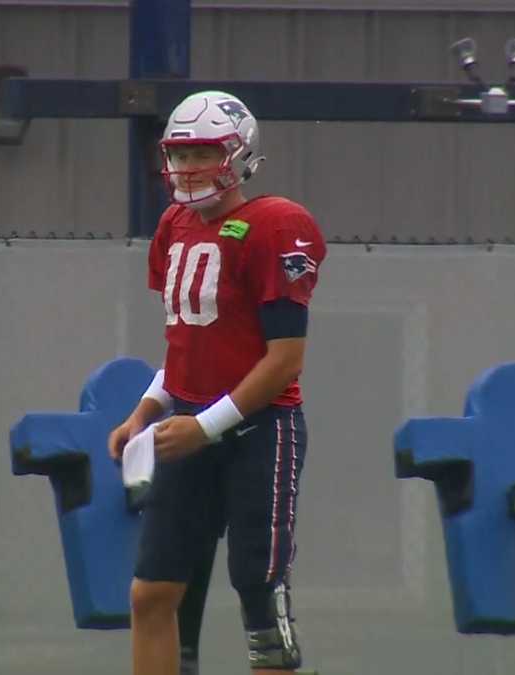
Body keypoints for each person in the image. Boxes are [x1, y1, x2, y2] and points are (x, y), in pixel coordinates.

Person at [109, 90, 327, 675]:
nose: (188, 168)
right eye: (180, 154)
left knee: (261, 597)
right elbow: (191, 341)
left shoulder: (276, 223)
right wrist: (146, 409)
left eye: (204, 152)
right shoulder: (174, 224)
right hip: (188, 426)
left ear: (240, 154)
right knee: (151, 593)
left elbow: (284, 359)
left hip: (259, 430)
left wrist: (204, 427)